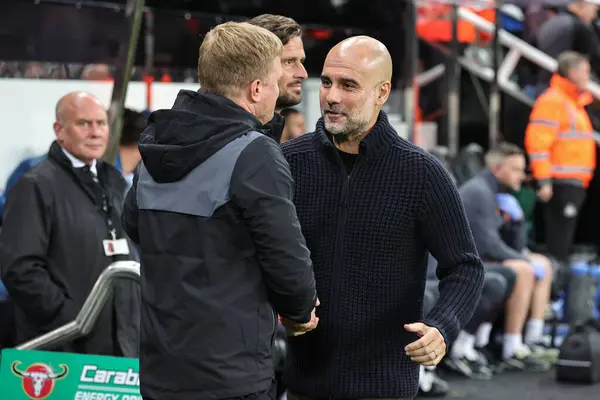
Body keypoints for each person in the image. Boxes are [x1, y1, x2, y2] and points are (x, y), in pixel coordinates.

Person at [121, 22, 318, 400]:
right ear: (256, 88)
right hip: (231, 374)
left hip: (160, 370)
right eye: (276, 79)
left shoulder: (156, 142)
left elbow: (135, 223)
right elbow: (289, 263)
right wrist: (301, 309)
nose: (279, 89)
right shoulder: (254, 154)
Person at [281, 36, 485, 400]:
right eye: (326, 82)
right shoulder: (287, 163)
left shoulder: (421, 174)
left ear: (382, 92)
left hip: (384, 388)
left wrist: (442, 327)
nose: (331, 96)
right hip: (301, 385)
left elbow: (465, 267)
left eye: (349, 86)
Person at [0, 91, 139, 356]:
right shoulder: (35, 186)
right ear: (59, 130)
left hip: (120, 346)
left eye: (101, 123)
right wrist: (74, 320)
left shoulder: (116, 184)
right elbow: (20, 268)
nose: (95, 132)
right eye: (84, 123)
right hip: (63, 349)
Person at [459, 143, 554, 372]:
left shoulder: (497, 191)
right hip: (467, 259)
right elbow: (488, 245)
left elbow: (514, 245)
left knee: (544, 264)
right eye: (516, 169)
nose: (521, 176)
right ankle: (510, 346)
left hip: (485, 255)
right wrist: (523, 259)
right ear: (498, 168)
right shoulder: (479, 191)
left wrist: (518, 221)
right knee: (523, 269)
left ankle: (532, 338)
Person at [525, 52, 596, 267]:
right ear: (572, 72)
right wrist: (544, 180)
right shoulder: (553, 101)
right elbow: (537, 144)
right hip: (560, 183)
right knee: (558, 243)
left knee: (564, 242)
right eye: (585, 71)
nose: (588, 76)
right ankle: (553, 291)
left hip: (574, 183)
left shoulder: (574, 103)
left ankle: (556, 287)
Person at [248, 14, 308, 142]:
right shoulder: (234, 140)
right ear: (256, 66)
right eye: (289, 62)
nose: (303, 74)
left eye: (301, 61)